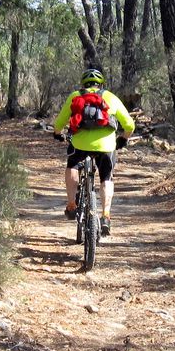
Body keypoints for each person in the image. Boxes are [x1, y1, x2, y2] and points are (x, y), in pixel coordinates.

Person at [52, 68, 135, 236]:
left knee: (72, 167)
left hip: (80, 144)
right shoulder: (110, 97)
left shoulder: (75, 96)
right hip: (106, 146)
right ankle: (105, 215)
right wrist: (123, 139)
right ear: (101, 84)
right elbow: (129, 125)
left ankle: (71, 205)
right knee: (106, 177)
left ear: (83, 84)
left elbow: (59, 123)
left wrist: (58, 134)